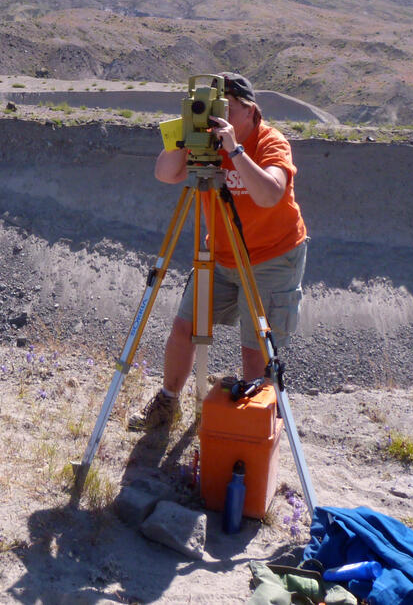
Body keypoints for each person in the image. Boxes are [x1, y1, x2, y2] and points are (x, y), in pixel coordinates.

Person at [128, 72, 308, 431]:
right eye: (213, 106)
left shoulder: (271, 141)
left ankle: (247, 426)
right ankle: (168, 402)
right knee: (184, 327)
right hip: (222, 257)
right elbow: (165, 173)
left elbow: (270, 194)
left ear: (250, 110)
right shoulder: (204, 142)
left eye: (226, 107)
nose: (217, 114)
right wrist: (188, 134)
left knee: (254, 348)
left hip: (271, 258)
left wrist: (235, 151)